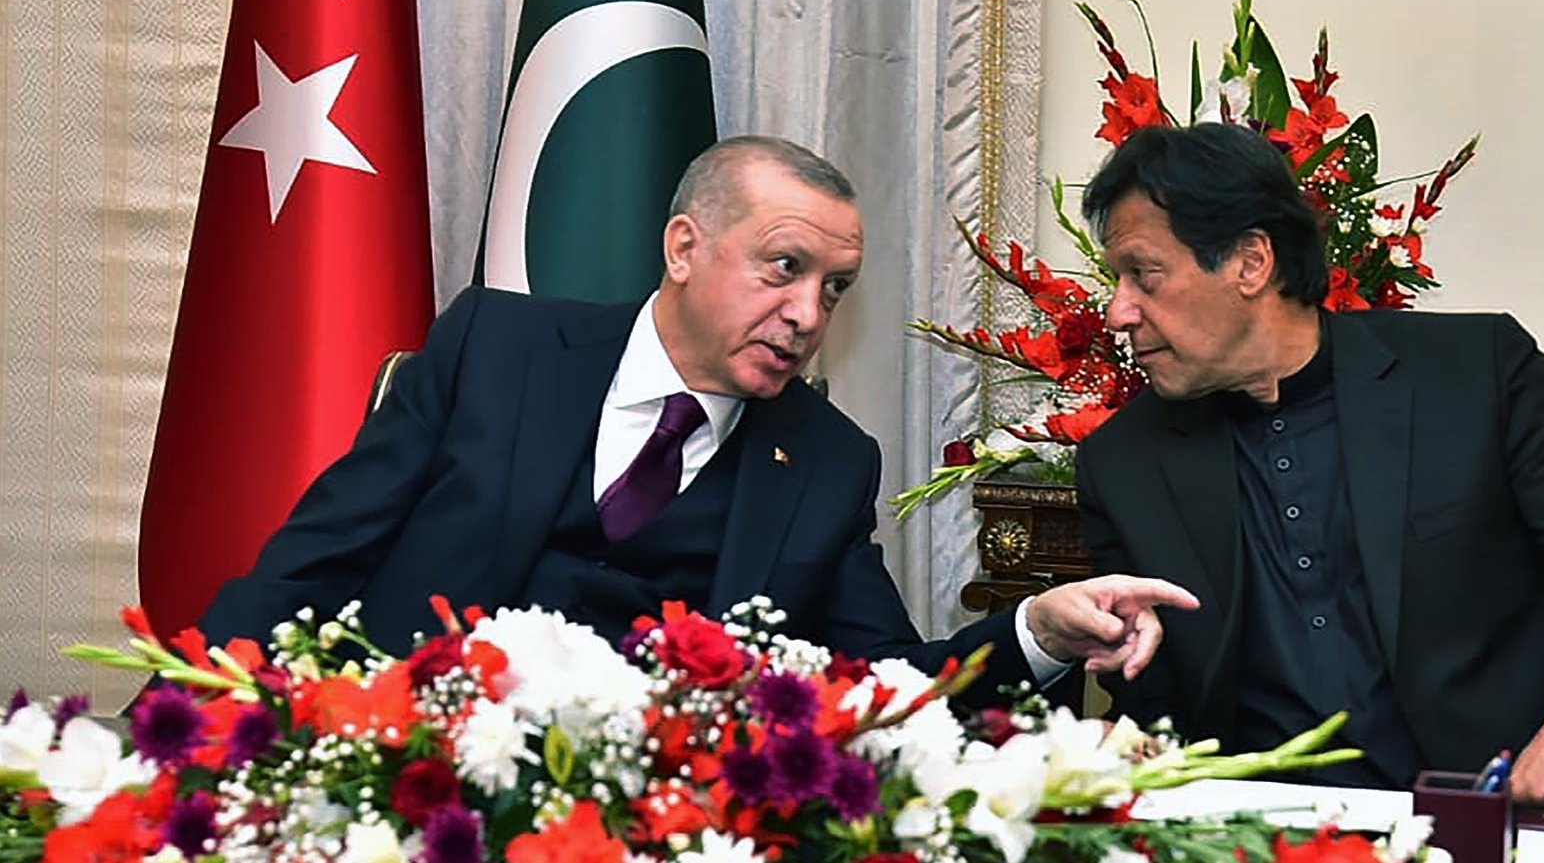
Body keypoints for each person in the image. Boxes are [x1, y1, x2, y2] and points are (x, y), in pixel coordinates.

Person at [201, 135, 1196, 702]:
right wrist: (182, 730)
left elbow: (885, 683)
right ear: (684, 247)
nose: (808, 314)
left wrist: (1038, 631)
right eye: (783, 268)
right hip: (418, 785)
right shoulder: (494, 350)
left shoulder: (825, 461)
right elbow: (311, 564)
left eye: (835, 288)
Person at [1073, 124, 1544, 806]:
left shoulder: (1476, 376)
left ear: (1251, 263)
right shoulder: (1124, 463)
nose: (1118, 311)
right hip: (1262, 843)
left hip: (1489, 827)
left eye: (1144, 274)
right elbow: (1156, 714)